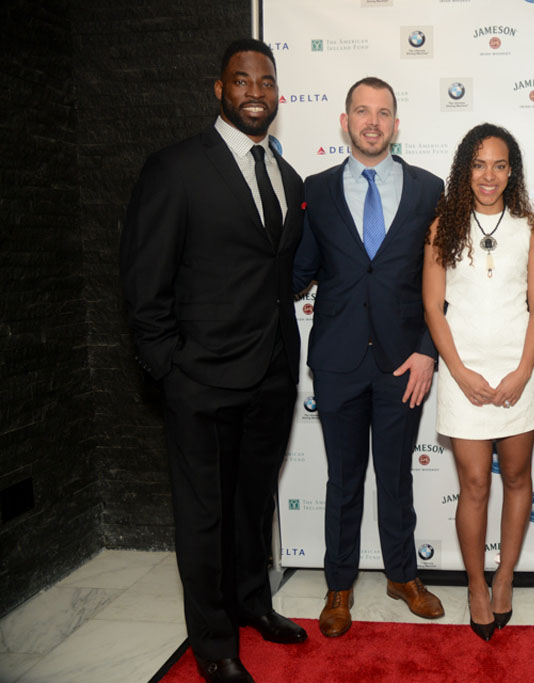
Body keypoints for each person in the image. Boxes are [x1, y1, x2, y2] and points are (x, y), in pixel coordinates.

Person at [120, 39, 307, 683]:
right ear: (219, 89)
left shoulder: (288, 178)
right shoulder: (175, 168)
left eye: (266, 81)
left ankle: (253, 602)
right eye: (242, 80)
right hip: (199, 380)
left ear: (277, 93)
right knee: (203, 517)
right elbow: (144, 280)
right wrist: (168, 368)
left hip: (272, 374)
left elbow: (276, 273)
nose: (256, 91)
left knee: (252, 505)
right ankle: (214, 643)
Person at [293, 76, 445, 638]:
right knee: (343, 480)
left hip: (405, 364)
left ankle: (403, 576)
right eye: (362, 111)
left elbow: (442, 277)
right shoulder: (316, 189)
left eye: (383, 112)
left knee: (397, 477)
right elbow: (300, 268)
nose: (372, 122)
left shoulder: (430, 188)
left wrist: (428, 351)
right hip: (337, 361)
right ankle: (339, 585)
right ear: (345, 122)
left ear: (396, 125)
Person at [423, 123, 534, 641]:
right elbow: (434, 307)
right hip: (463, 372)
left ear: (511, 171)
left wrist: (522, 371)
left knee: (517, 478)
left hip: (519, 372)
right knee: (474, 485)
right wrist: (458, 371)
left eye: (499, 165)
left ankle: (505, 577)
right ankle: (475, 586)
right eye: (478, 165)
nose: (488, 175)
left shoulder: (530, 227)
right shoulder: (443, 227)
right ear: (464, 170)